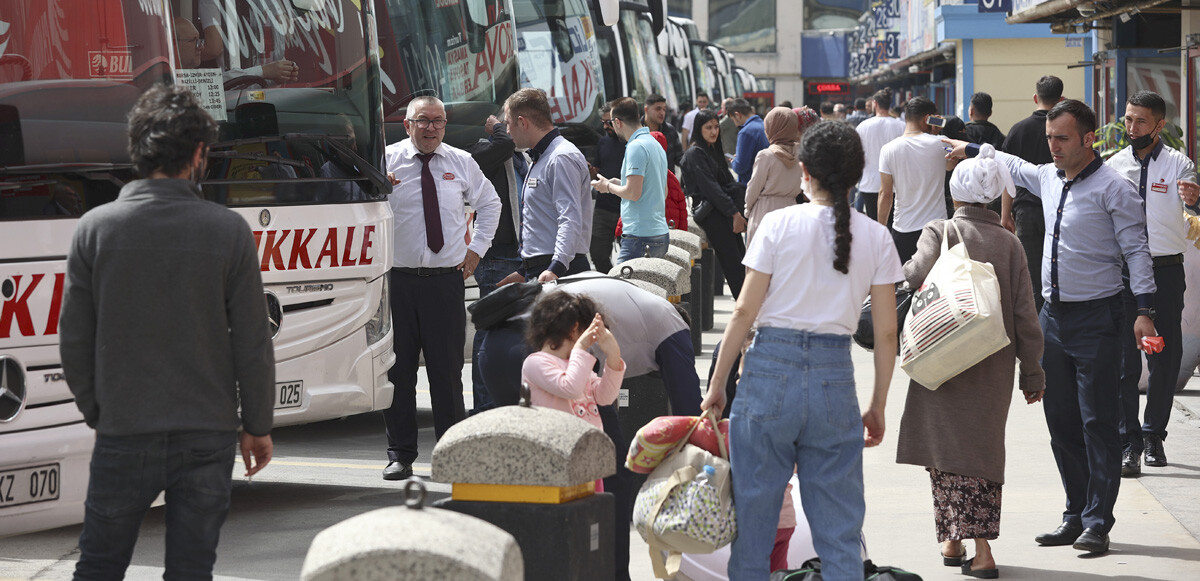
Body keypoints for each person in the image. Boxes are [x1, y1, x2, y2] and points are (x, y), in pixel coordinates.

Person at [59, 84, 274, 579]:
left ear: (137, 149)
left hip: (124, 428)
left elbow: (74, 342)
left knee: (99, 565)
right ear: (199, 154)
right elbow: (252, 342)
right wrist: (257, 425)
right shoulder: (228, 231)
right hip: (208, 431)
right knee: (190, 569)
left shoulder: (95, 228)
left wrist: (101, 411)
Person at [946, 99, 1158, 555]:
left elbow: (1138, 251)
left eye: (1062, 139)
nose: (1053, 147)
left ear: (1087, 138)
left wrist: (1144, 309)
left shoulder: (1114, 189)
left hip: (1099, 318)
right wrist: (967, 148)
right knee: (1060, 423)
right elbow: (1009, 162)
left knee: (1098, 422)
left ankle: (1098, 523)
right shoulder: (1048, 177)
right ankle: (1075, 514)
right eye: (1049, 139)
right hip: (1053, 320)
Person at [703, 121, 902, 581]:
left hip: (768, 376)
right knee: (839, 532)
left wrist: (716, 385)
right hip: (835, 381)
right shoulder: (876, 238)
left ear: (804, 170)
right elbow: (887, 335)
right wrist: (877, 405)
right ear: (857, 175)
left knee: (753, 526)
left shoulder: (776, 224)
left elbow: (742, 314)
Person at [475, 273, 701, 581]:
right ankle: (612, 572)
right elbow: (688, 407)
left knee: (585, 498)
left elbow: (603, 395)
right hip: (520, 351)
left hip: (496, 350)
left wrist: (614, 358)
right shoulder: (547, 361)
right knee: (606, 477)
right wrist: (583, 350)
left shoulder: (582, 357)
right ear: (575, 330)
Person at [896, 143, 1045, 579]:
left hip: (939, 358)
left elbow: (911, 275)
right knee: (979, 452)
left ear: (955, 193)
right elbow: (1025, 314)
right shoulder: (1010, 244)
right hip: (991, 367)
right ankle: (963, 542)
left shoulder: (939, 232)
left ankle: (973, 547)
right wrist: (1032, 371)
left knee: (943, 451)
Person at [382, 95, 502, 481]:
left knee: (447, 374)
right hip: (397, 282)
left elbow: (491, 203)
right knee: (398, 373)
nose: (431, 127)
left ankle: (451, 455)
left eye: (438, 121)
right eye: (423, 121)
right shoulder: (386, 161)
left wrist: (476, 252)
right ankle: (400, 454)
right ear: (407, 124)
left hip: (445, 283)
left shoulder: (461, 162)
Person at [1106, 91, 1200, 476]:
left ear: (1159, 125)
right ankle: (1129, 442)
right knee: (1127, 362)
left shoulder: (1180, 164)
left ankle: (1153, 435)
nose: (1131, 128)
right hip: (1124, 271)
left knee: (1164, 355)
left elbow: (1190, 203)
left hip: (1165, 271)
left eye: (1140, 121)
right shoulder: (1112, 166)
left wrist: (1193, 200)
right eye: (1128, 119)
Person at [500, 88, 592, 283]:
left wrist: (555, 268)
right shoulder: (542, 156)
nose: (507, 131)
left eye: (508, 123)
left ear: (522, 122)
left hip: (559, 270)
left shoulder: (560, 157)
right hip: (546, 269)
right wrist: (524, 272)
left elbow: (569, 218)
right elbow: (543, 221)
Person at [467, 113, 522, 414]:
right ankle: (484, 407)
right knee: (490, 332)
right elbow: (504, 143)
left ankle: (504, 404)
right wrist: (497, 128)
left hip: (518, 255)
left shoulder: (521, 158)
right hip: (497, 256)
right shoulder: (482, 151)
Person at [1001, 75, 1063, 313]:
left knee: (1033, 279)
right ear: (1061, 100)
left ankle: (1038, 334)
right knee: (1057, 272)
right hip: (1057, 211)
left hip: (1025, 213)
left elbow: (1008, 176)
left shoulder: (1018, 130)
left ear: (1036, 97)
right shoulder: (1065, 131)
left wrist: (1005, 215)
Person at [522, 293, 625, 433]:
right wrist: (580, 347)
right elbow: (570, 388)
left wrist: (613, 355)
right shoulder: (535, 362)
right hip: (558, 444)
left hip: (587, 442)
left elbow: (605, 397)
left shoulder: (576, 361)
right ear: (574, 328)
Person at [591, 97, 670, 263]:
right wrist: (618, 183)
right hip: (659, 234)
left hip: (640, 237)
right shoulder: (654, 143)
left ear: (618, 122)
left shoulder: (636, 146)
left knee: (622, 289)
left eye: (611, 121)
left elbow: (633, 193)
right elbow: (660, 190)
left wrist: (607, 187)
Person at [680, 109, 747, 298]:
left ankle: (750, 309)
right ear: (698, 129)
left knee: (741, 259)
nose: (713, 131)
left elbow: (727, 182)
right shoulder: (695, 154)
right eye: (708, 127)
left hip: (724, 210)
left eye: (716, 127)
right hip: (712, 213)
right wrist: (734, 214)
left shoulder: (713, 151)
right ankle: (746, 312)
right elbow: (711, 188)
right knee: (733, 263)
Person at [878, 97, 949, 263]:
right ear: (928, 118)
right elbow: (950, 165)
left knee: (903, 283)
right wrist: (936, 132)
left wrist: (881, 229)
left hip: (903, 227)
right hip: (937, 227)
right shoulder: (942, 143)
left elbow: (885, 194)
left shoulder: (888, 149)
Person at [744, 107, 805, 245]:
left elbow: (754, 188)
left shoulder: (766, 155)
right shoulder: (801, 154)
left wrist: (747, 210)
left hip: (765, 210)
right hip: (791, 210)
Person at [855, 88, 903, 221]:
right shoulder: (901, 126)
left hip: (870, 183)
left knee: (873, 222)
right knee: (893, 224)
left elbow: (858, 154)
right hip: (896, 185)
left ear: (875, 103)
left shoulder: (863, 126)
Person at [589, 103, 626, 273]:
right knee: (597, 253)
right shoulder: (602, 142)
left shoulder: (631, 144)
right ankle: (610, 280)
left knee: (628, 259)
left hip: (625, 209)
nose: (605, 126)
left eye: (608, 122)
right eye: (602, 122)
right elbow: (597, 170)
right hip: (603, 208)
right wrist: (591, 171)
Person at [729, 98, 768, 185]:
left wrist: (734, 161)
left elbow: (740, 167)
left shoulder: (746, 132)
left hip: (751, 186)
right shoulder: (764, 125)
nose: (735, 124)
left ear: (737, 115)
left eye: (733, 120)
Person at [644, 94, 684, 170]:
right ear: (646, 109)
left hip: (666, 180)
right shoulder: (637, 131)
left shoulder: (670, 130)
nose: (662, 113)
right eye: (658, 109)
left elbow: (680, 158)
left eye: (664, 109)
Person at [719, 98, 740, 164]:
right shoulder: (735, 117)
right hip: (733, 153)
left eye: (722, 108)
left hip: (730, 154)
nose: (721, 110)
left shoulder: (728, 119)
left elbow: (717, 126)